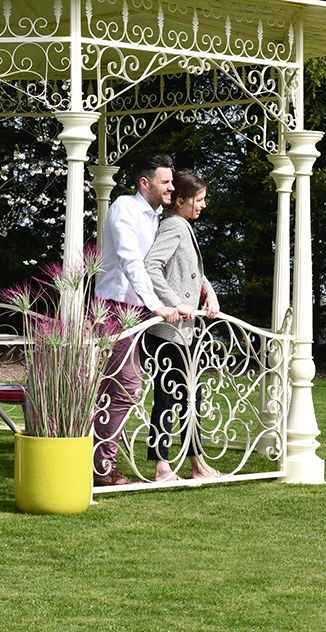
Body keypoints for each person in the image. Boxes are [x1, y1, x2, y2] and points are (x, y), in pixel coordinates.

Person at [92, 153, 191, 486]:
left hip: (140, 312)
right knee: (124, 386)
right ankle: (101, 467)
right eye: (165, 182)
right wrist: (158, 305)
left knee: (119, 387)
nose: (171, 187)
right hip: (115, 308)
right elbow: (130, 261)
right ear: (144, 183)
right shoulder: (124, 208)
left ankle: (97, 461)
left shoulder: (157, 218)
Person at [143, 168, 221, 482]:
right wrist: (173, 303)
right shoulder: (174, 226)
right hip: (168, 332)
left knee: (191, 395)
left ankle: (196, 463)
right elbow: (151, 265)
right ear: (181, 201)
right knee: (168, 395)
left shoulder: (184, 226)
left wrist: (210, 293)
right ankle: (162, 466)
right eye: (198, 199)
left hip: (185, 331)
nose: (202, 205)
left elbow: (194, 273)